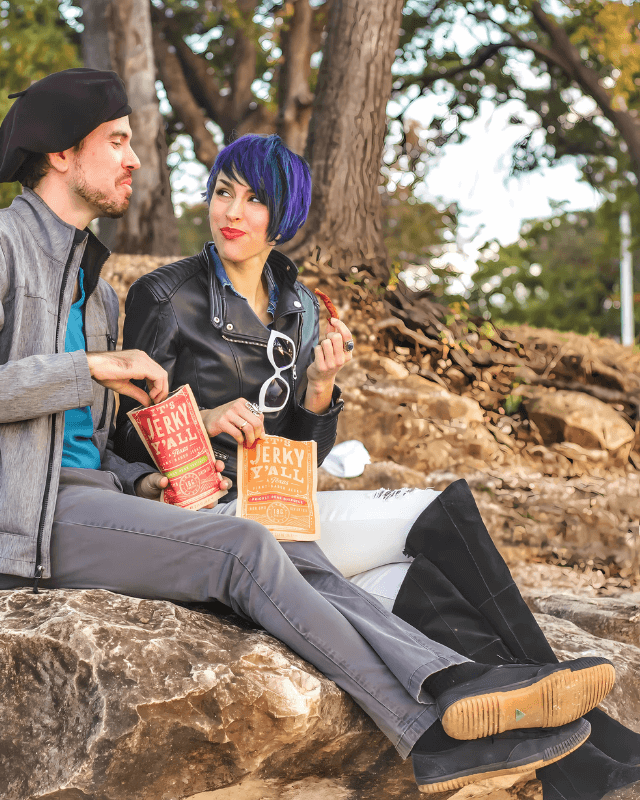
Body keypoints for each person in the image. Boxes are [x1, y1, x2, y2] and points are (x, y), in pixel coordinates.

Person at [0, 71, 609, 796]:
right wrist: (91, 368)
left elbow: (95, 445)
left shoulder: (95, 291)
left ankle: (455, 682)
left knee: (289, 541)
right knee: (245, 545)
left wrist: (144, 479)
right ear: (60, 154)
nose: (136, 160)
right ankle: (427, 737)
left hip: (84, 499)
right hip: (2, 524)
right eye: (118, 142)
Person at [116, 132, 640, 800]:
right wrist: (204, 422)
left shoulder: (298, 306)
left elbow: (302, 460)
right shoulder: (165, 297)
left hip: (286, 509)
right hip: (213, 518)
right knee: (432, 511)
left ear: (286, 217)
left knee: (412, 582)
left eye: (254, 199)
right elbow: (125, 443)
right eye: (223, 191)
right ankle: (586, 733)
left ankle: (585, 762)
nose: (233, 212)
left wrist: (318, 395)